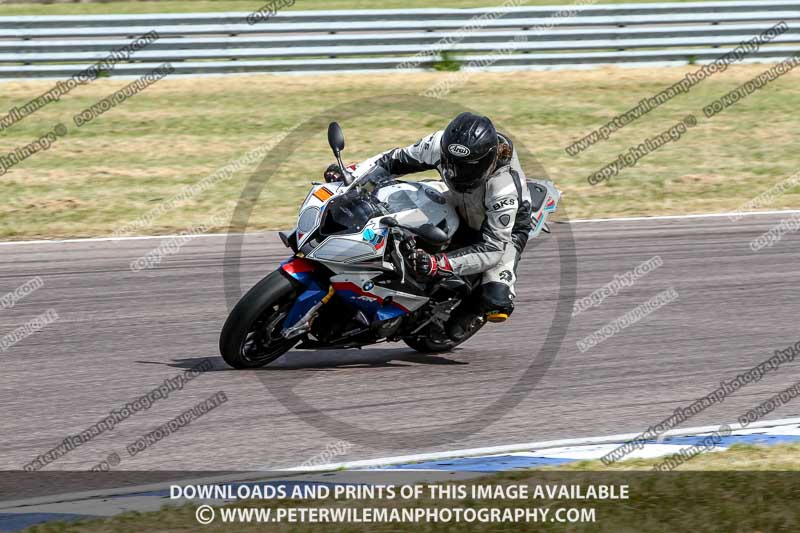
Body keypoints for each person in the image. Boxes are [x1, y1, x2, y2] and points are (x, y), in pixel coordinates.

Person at [324, 112, 532, 341]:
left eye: (466, 167)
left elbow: (493, 249)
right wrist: (352, 175)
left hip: (502, 230)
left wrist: (438, 263)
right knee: (390, 204)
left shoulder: (504, 187)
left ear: (487, 161)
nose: (455, 172)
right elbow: (391, 160)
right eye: (451, 164)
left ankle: (470, 310)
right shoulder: (438, 144)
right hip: (455, 197)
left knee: (495, 299)